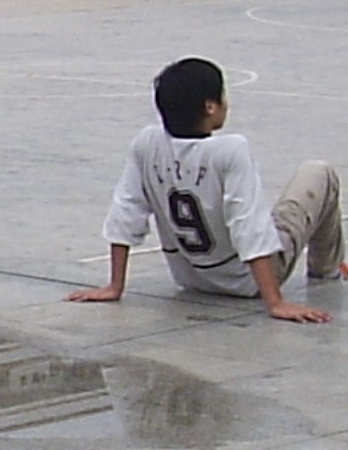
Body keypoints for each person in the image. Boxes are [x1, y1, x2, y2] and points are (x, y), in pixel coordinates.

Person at [68, 58, 345, 325]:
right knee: (319, 173)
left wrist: (115, 286)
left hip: (191, 279)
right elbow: (249, 226)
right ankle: (327, 271)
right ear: (210, 106)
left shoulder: (147, 143)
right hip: (246, 281)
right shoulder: (231, 150)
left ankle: (326, 270)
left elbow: (125, 211)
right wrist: (275, 302)